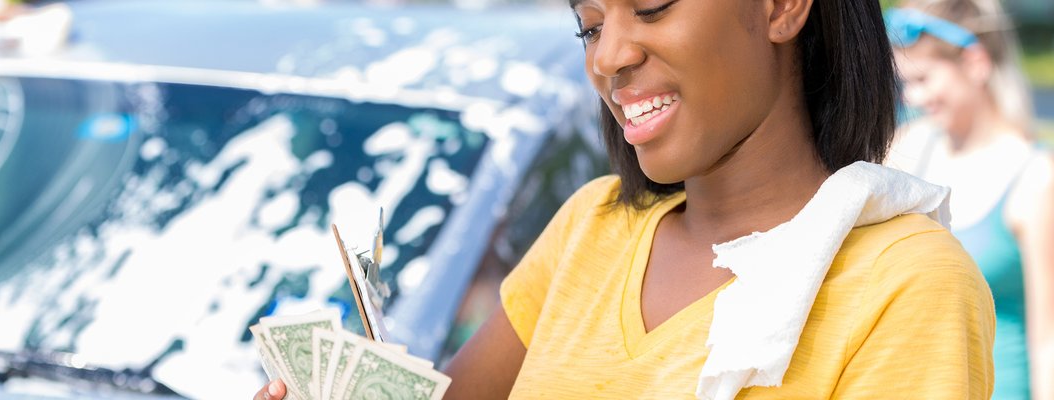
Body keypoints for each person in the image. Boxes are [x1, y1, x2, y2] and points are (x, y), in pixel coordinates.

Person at [254, 0, 996, 398]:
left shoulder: (908, 284)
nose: (610, 56)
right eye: (591, 25)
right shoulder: (593, 225)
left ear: (782, 6)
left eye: (652, 5)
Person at [886, 1, 1054, 399]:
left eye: (924, 79)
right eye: (905, 82)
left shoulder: (1035, 179)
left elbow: (1047, 337)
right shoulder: (907, 149)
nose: (910, 97)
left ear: (975, 63)